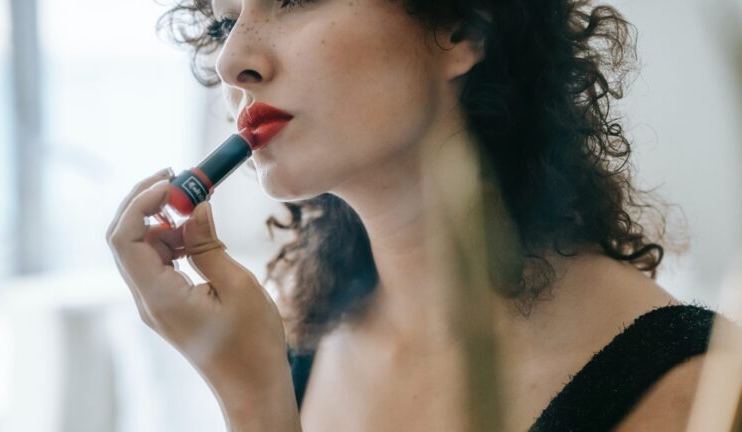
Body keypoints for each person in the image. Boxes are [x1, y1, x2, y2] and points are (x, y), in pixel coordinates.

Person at [106, 0, 740, 430]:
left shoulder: (690, 387)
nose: (230, 58)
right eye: (222, 24)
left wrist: (254, 404)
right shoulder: (300, 344)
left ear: (460, 26)